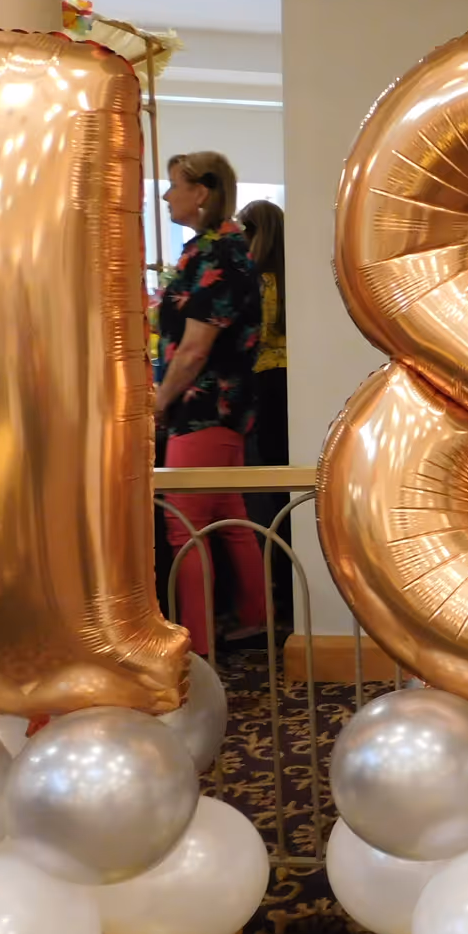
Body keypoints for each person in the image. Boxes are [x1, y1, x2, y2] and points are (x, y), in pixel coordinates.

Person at [155, 150, 268, 655]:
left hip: (204, 408)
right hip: (223, 409)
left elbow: (195, 349)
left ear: (201, 192)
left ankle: (197, 648)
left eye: (174, 184)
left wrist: (159, 401)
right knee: (229, 515)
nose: (165, 194)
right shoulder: (218, 248)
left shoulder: (215, 254)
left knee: (185, 529)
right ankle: (255, 619)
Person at [236, 197, 293, 629]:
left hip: (264, 383)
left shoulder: (258, 282)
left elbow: (249, 340)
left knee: (267, 485)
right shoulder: (291, 278)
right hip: (289, 384)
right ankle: (287, 585)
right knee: (285, 484)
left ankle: (277, 585)